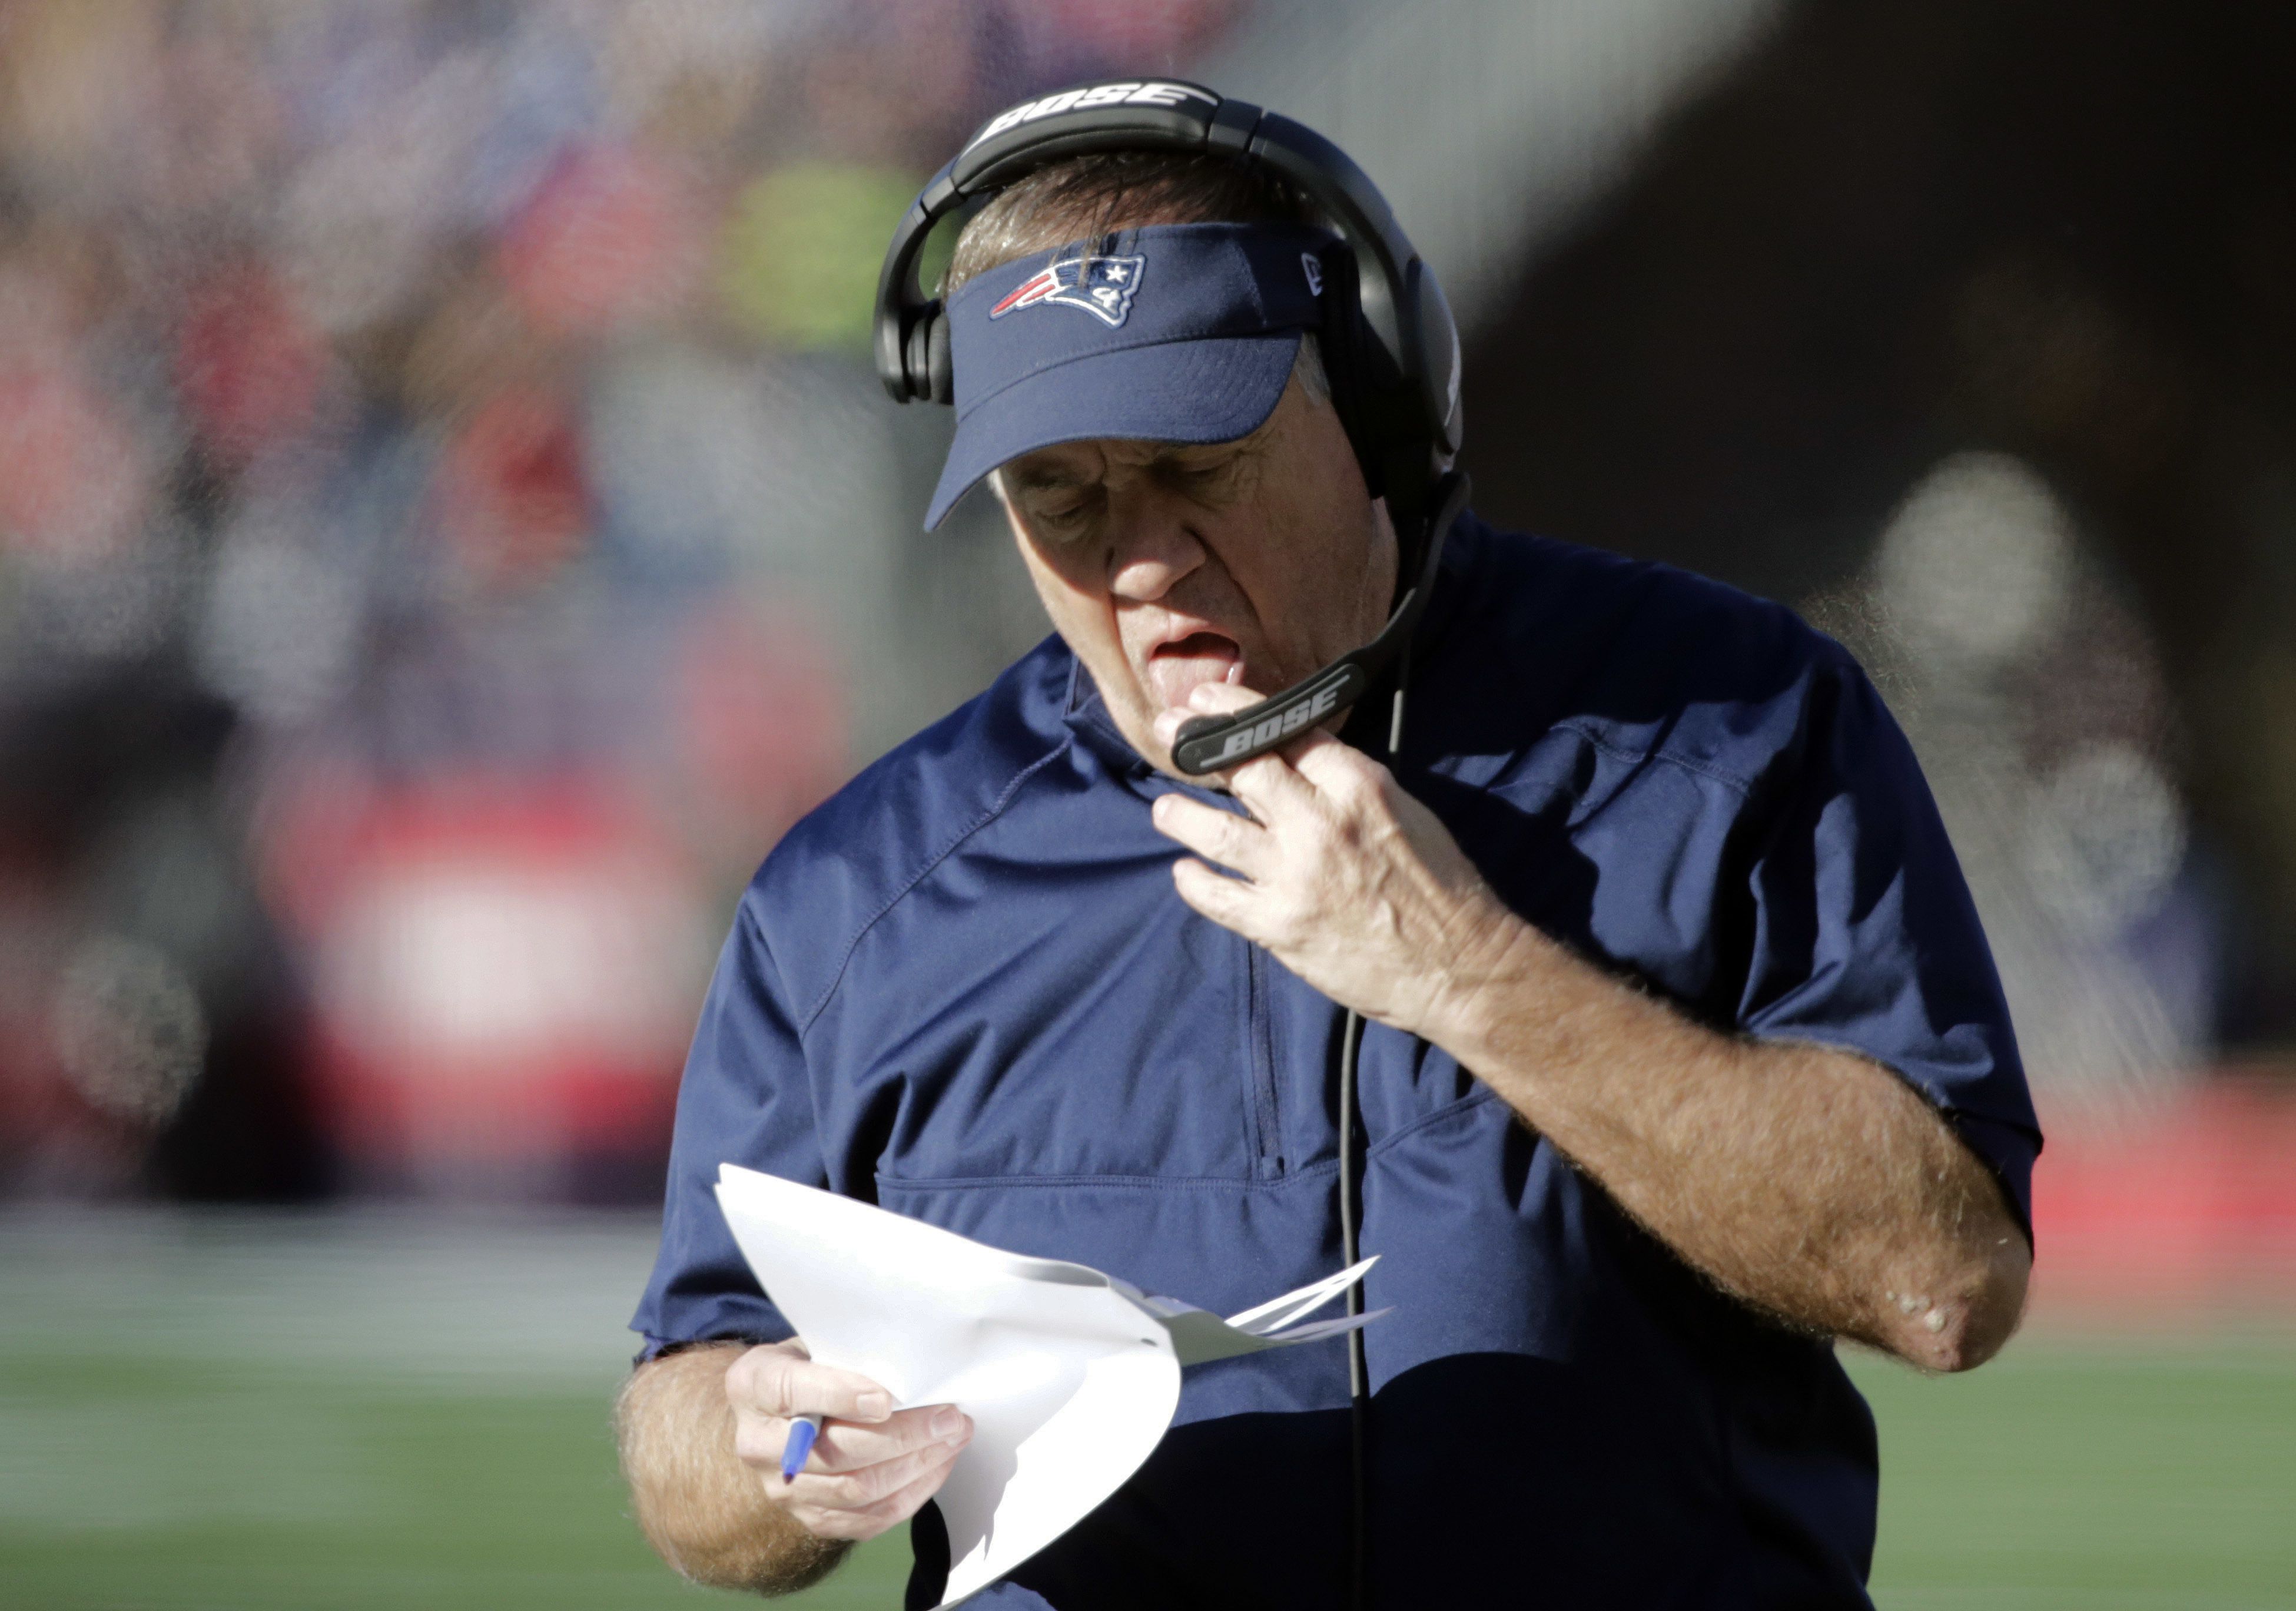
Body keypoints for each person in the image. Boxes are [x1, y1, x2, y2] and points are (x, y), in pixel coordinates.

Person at [615, 135, 2040, 1609]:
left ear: (1372, 406)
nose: (1142, 561)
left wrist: (1478, 979)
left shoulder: (1729, 725)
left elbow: (1944, 1282)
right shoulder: (858, 893)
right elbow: (693, 1430)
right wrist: (774, 1448)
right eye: (1062, 496)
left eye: (1196, 467)